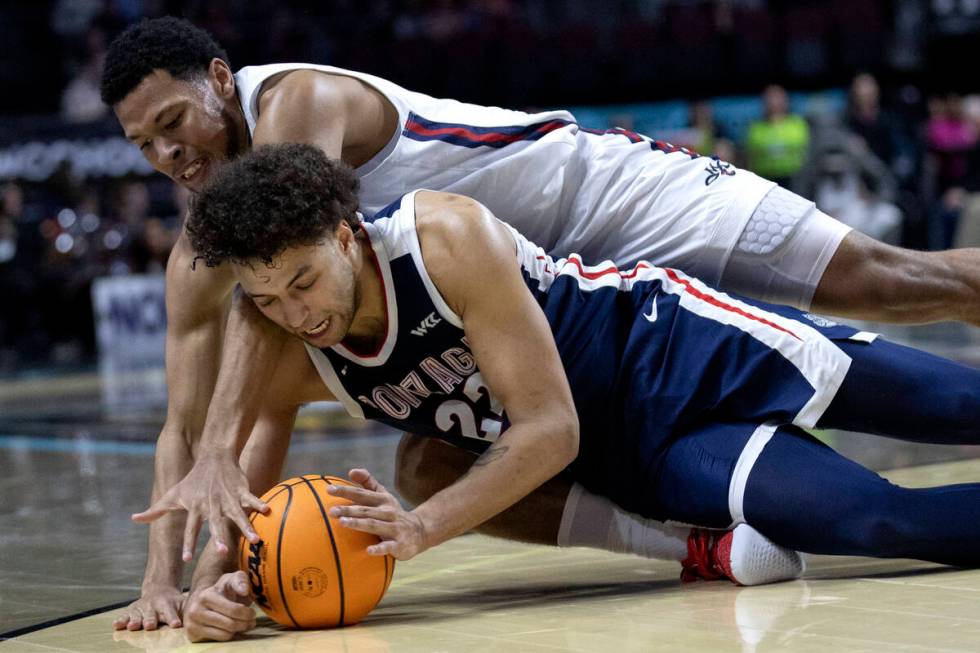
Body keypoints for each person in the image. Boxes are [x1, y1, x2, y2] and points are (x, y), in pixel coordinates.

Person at [101, 17, 980, 629]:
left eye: (174, 122)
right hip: (543, 311)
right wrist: (175, 584)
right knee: (427, 455)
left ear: (220, 83)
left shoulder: (292, 110)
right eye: (144, 144)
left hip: (602, 205)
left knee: (892, 279)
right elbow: (204, 408)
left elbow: (271, 285)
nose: (168, 152)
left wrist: (225, 446)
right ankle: (692, 541)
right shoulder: (240, 260)